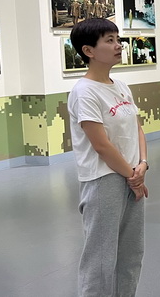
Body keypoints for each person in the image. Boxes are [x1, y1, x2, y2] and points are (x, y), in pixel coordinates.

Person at [67, 18, 149, 296]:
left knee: (131, 253)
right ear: (88, 50)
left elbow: (137, 128)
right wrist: (133, 175)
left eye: (118, 39)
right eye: (110, 40)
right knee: (100, 260)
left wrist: (143, 164)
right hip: (104, 180)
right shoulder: (84, 92)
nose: (118, 45)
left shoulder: (120, 85)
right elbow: (101, 145)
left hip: (132, 175)